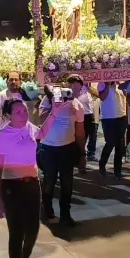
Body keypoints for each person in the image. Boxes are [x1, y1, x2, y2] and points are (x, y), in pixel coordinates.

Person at [0, 98, 64, 258]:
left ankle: (25, 257)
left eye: (24, 111)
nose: (23, 115)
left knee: (33, 229)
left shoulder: (29, 127)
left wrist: (55, 112)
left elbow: (42, 132)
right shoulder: (2, 135)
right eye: (18, 112)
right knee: (16, 233)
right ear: (7, 116)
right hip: (11, 187)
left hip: (32, 184)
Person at [38, 75, 86, 226]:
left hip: (67, 148)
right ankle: (47, 211)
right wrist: (55, 105)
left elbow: (80, 131)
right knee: (49, 181)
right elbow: (40, 120)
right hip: (48, 148)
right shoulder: (47, 100)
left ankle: (66, 214)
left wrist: (82, 153)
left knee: (67, 183)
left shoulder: (77, 104)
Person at [0, 71, 31, 137]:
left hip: (23, 135)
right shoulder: (0, 96)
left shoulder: (27, 96)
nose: (13, 82)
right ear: (6, 81)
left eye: (16, 79)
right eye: (11, 79)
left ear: (21, 82)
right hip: (6, 135)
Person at [97, 81, 127, 179]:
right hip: (108, 117)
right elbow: (102, 97)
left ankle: (117, 171)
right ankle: (102, 164)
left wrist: (122, 84)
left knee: (120, 144)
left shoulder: (121, 83)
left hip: (121, 116)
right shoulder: (102, 84)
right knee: (110, 143)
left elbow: (127, 96)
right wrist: (109, 84)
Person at [75, 82, 99, 170]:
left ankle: (90, 154)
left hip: (91, 114)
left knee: (93, 135)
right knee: (82, 138)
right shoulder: (77, 87)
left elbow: (98, 95)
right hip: (81, 115)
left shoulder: (91, 86)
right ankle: (79, 157)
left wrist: (88, 86)